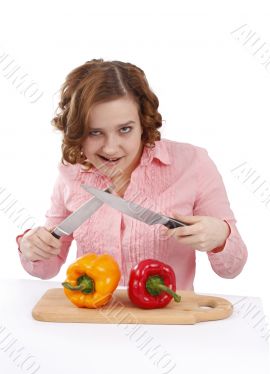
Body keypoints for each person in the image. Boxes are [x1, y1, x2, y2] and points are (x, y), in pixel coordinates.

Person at [16, 59, 248, 289]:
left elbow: (231, 269)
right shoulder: (71, 173)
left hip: (171, 320)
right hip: (91, 318)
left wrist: (221, 237)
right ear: (77, 132)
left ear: (143, 122)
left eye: (125, 129)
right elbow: (47, 267)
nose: (110, 148)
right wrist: (32, 247)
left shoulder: (193, 163)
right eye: (95, 132)